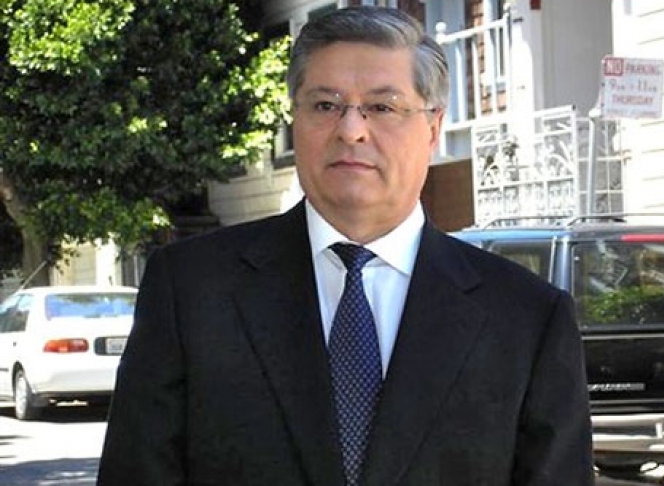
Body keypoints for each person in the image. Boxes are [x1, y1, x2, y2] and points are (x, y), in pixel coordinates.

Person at [97, 6, 594, 486]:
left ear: (433, 128)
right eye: (325, 105)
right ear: (295, 119)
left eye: (382, 107)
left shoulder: (526, 318)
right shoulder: (191, 292)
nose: (352, 130)